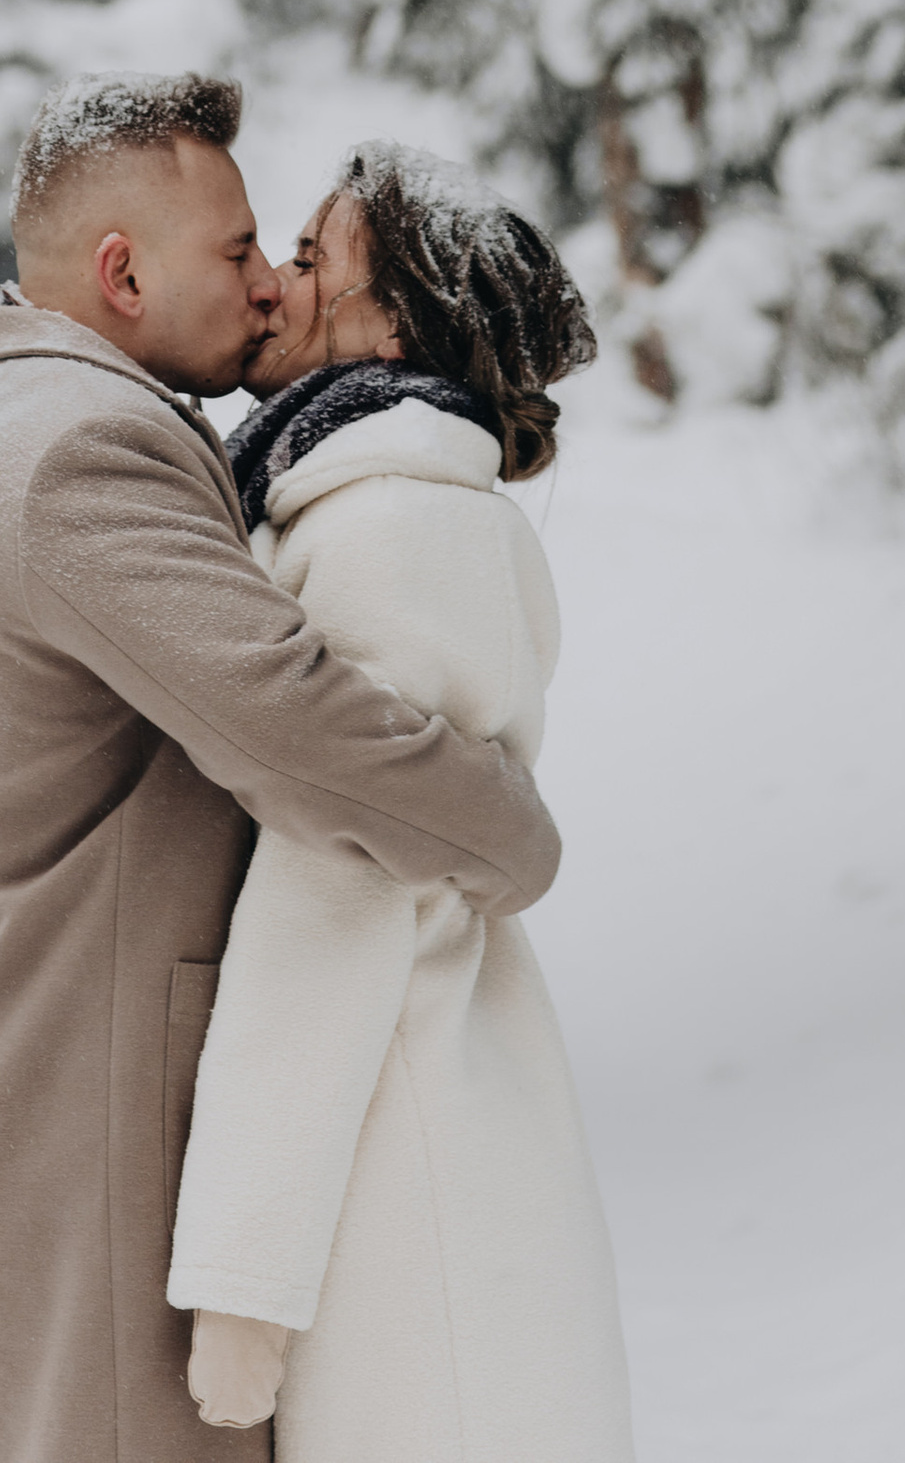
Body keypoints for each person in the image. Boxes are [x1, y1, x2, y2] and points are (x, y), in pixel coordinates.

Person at [0, 74, 564, 1463]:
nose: (261, 288)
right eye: (240, 252)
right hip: (73, 1113)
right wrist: (512, 843)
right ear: (122, 273)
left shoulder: (9, 418)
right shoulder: (77, 454)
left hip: (17, 1093)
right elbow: (294, 725)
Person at [172, 147, 637, 1463]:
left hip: (405, 1161)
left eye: (314, 260)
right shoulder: (379, 501)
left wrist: (243, 1279)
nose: (274, 284)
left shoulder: (389, 531)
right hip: (422, 1124)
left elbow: (343, 894)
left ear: (388, 325)